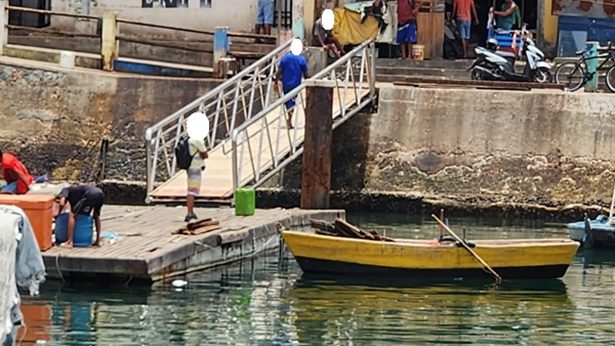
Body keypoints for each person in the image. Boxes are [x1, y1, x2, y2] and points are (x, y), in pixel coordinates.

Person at [274, 39, 309, 129]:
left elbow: (279, 71)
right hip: (296, 84)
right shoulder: (301, 59)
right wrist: (309, 81)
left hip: (285, 83)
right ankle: (289, 119)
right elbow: (306, 74)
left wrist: (275, 82)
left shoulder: (285, 58)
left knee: (287, 101)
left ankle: (289, 117)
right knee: (292, 102)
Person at [185, 136, 208, 222]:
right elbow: (205, 154)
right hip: (196, 167)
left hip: (190, 167)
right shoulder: (198, 139)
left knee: (191, 189)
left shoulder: (189, 139)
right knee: (192, 191)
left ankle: (190, 212)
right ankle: (189, 213)